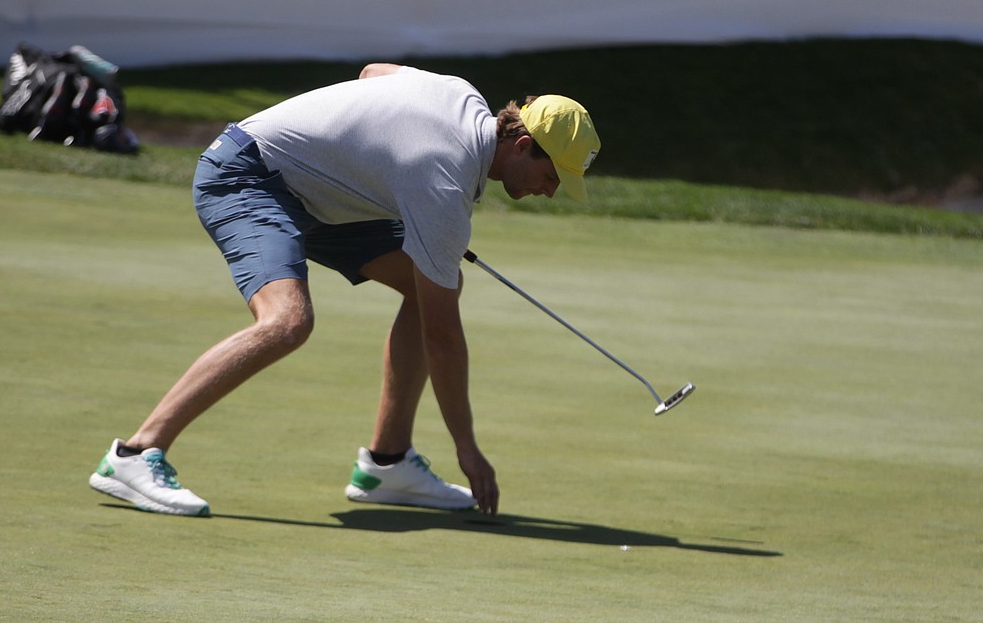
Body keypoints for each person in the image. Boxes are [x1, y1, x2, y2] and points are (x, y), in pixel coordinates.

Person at [89, 63, 600, 517]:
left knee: (431, 289)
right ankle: (134, 455)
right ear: (523, 145)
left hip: (321, 197)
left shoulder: (460, 94)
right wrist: (467, 447)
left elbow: (373, 72)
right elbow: (443, 339)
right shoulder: (443, 187)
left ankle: (388, 464)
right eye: (552, 176)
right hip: (247, 176)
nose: (551, 191)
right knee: (287, 322)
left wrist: (363, 165)